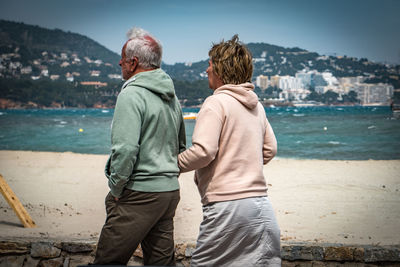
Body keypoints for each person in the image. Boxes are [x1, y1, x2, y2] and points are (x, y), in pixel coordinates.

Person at [178, 35, 281, 266]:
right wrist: (241, 163)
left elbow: (203, 152)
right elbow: (270, 149)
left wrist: (171, 164)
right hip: (260, 204)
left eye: (210, 65)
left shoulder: (216, 102)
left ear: (221, 70)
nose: (206, 70)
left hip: (227, 206)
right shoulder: (257, 105)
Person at [93, 27, 186, 266]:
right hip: (168, 192)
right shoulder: (172, 97)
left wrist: (115, 188)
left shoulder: (131, 94)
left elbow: (125, 150)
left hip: (139, 193)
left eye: (122, 59)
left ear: (133, 63)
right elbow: (181, 146)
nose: (119, 63)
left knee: (108, 260)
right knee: (161, 263)